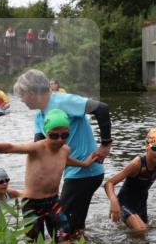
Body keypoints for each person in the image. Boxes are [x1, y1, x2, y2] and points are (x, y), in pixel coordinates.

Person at [13, 69, 112, 234]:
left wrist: (105, 145)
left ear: (30, 93)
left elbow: (101, 108)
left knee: (61, 229)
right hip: (74, 173)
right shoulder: (40, 118)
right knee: (72, 226)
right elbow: (40, 155)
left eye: (21, 95)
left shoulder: (62, 101)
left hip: (85, 173)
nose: (22, 100)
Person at [0, 109, 97, 241]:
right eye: (54, 136)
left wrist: (84, 164)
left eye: (64, 135)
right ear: (46, 133)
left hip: (53, 202)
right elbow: (11, 147)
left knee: (64, 240)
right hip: (31, 205)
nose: (59, 140)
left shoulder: (65, 150)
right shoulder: (37, 148)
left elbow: (64, 160)